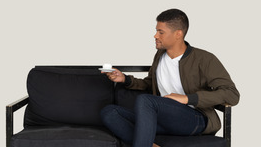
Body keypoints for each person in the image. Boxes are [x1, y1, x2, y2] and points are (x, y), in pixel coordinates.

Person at [100, 8, 240, 147]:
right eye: (156, 31)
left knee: (146, 100)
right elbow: (150, 84)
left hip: (194, 118)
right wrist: (125, 79)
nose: (155, 36)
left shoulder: (204, 59)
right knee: (110, 112)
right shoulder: (160, 56)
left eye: (161, 32)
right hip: (164, 118)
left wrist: (187, 98)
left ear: (178, 34)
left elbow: (232, 94)